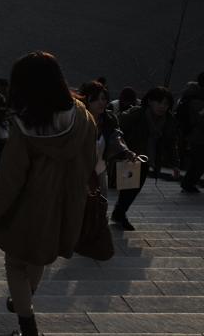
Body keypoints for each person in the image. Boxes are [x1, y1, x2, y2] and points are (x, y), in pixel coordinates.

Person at [0, 52, 97, 336]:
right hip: (67, 205)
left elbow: (10, 180)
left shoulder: (25, 128)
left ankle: (28, 329)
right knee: (41, 256)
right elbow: (90, 162)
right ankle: (27, 295)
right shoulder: (83, 116)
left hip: (29, 209)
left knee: (17, 262)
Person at [114, 86, 180, 228]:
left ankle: (119, 213)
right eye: (159, 102)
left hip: (146, 158)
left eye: (166, 104)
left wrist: (175, 164)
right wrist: (122, 150)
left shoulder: (167, 120)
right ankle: (119, 214)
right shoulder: (136, 114)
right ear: (149, 101)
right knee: (129, 187)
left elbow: (170, 141)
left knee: (135, 188)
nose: (162, 107)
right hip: (129, 156)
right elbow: (117, 131)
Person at [80, 80, 131, 194]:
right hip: (80, 170)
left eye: (103, 98)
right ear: (86, 99)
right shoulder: (80, 119)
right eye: (96, 99)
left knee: (102, 203)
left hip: (101, 167)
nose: (101, 103)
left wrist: (125, 151)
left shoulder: (109, 119)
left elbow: (116, 136)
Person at [178, 72, 204, 194]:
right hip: (198, 136)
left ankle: (188, 184)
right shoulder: (197, 101)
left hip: (194, 135)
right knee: (198, 162)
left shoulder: (192, 95)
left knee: (197, 161)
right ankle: (188, 184)